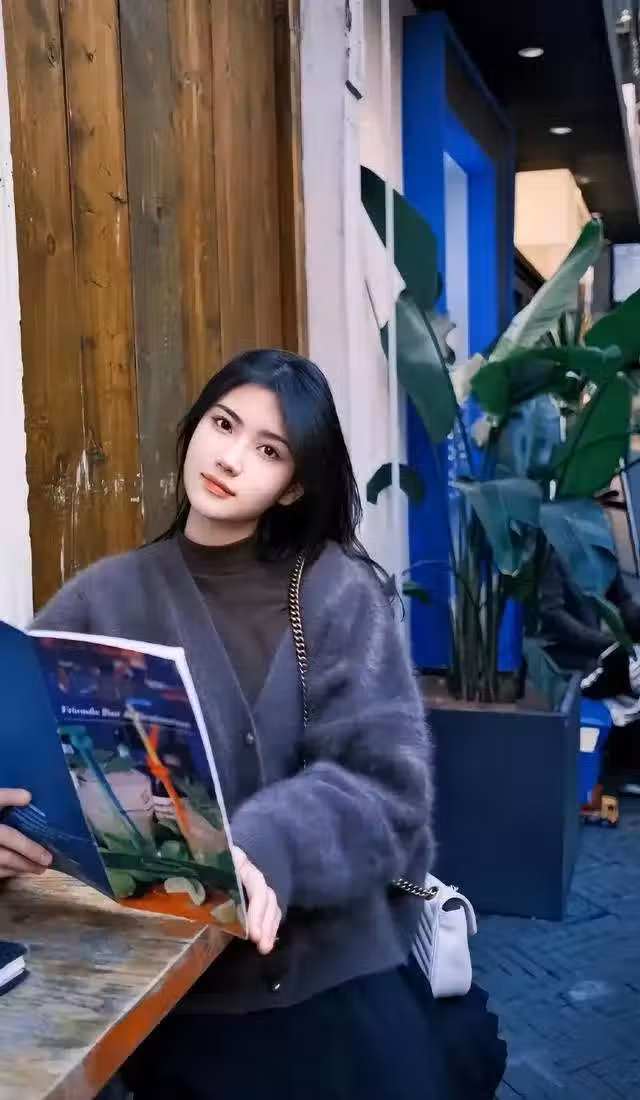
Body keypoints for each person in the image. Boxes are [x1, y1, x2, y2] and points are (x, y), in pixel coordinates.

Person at [0, 350, 506, 1098]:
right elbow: (25, 745)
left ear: (293, 484)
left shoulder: (337, 595)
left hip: (326, 976)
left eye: (268, 450)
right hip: (167, 990)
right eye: (223, 424)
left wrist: (265, 850)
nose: (230, 458)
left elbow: (384, 790)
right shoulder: (102, 598)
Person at [539, 544, 640, 796]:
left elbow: (623, 601)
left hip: (597, 652)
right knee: (632, 674)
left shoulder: (598, 541)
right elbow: (553, 615)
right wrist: (607, 644)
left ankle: (625, 767)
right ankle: (622, 770)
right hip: (565, 656)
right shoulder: (553, 548)